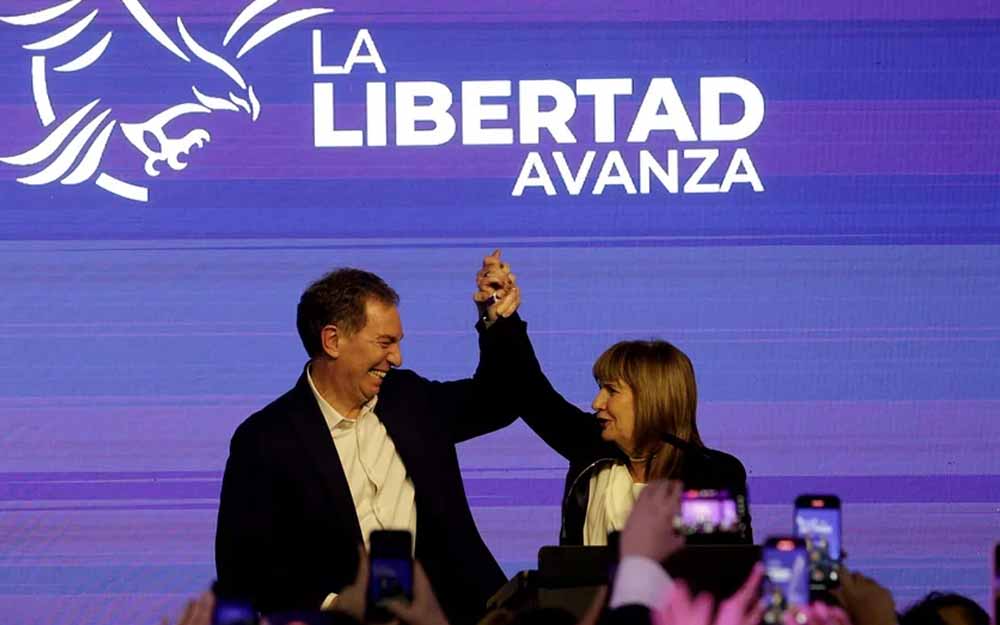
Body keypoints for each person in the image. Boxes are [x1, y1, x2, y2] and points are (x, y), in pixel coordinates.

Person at [215, 260, 525, 625]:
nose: (397, 357)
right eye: (385, 342)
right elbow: (243, 569)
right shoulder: (265, 440)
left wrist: (496, 320)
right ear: (333, 341)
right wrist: (340, 607)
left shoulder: (410, 399)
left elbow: (500, 400)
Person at [473, 256, 750, 546]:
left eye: (611, 391)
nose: (597, 403)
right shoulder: (590, 447)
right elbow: (528, 388)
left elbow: (719, 568)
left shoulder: (712, 475)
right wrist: (499, 312)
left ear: (651, 400)